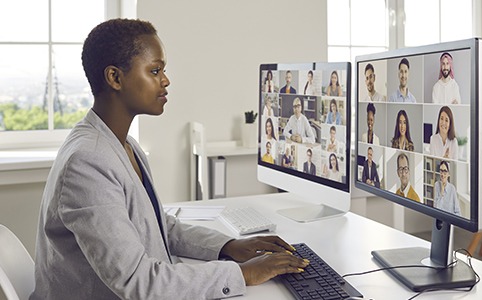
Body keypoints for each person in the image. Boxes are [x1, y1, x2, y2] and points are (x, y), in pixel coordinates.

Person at [31, 19, 308, 300]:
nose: (166, 80)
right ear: (115, 78)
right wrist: (244, 274)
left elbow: (155, 225)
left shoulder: (124, 145)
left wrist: (228, 245)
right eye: (155, 70)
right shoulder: (88, 161)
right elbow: (137, 281)